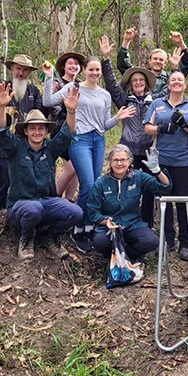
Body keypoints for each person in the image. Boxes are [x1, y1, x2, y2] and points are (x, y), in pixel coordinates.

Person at [42, 56, 136, 254]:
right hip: (79, 139)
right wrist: (48, 77)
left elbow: (103, 125)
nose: (94, 73)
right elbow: (48, 100)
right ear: (84, 70)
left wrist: (117, 118)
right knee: (88, 184)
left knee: (96, 184)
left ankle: (89, 225)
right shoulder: (73, 88)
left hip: (98, 140)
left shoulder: (104, 95)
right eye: (91, 69)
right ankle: (79, 228)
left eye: (97, 70)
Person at [0, 82, 83, 261]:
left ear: (45, 131)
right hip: (20, 207)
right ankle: (27, 239)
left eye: (41, 128)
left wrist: (72, 112)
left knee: (76, 212)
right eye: (32, 128)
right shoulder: (15, 148)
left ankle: (51, 237)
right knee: (33, 209)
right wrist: (1, 107)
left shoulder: (50, 148)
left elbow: (67, 133)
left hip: (46, 203)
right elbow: (2, 132)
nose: (37, 132)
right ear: (25, 131)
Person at [145, 70, 188, 261]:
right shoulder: (157, 104)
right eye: (173, 80)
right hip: (161, 160)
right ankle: (168, 239)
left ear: (185, 85)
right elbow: (147, 128)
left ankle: (185, 242)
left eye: (180, 80)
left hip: (185, 161)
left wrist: (184, 125)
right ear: (168, 85)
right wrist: (162, 129)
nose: (177, 82)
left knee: (182, 200)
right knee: (164, 199)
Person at [100, 35, 158, 224]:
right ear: (131, 84)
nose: (139, 82)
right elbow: (111, 85)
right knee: (125, 188)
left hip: (150, 151)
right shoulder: (125, 100)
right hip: (129, 151)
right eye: (135, 80)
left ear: (146, 83)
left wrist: (175, 67)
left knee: (149, 189)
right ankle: (123, 222)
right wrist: (106, 60)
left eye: (142, 80)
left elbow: (176, 87)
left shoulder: (156, 101)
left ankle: (147, 224)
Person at [87, 144, 171, 266]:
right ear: (110, 162)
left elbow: (164, 188)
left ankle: (128, 258)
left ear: (130, 161)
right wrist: (105, 221)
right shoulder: (101, 183)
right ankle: (112, 260)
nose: (119, 163)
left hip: (133, 224)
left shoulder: (139, 177)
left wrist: (157, 171)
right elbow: (92, 212)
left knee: (151, 241)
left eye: (123, 160)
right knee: (99, 242)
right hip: (109, 226)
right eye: (115, 160)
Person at [0, 54, 48, 212]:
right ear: (12, 69)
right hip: (3, 148)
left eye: (25, 70)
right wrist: (6, 116)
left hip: (27, 149)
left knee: (26, 187)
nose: (21, 73)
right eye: (18, 69)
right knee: (2, 186)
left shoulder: (33, 91)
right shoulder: (0, 89)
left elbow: (42, 113)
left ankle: (21, 216)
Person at [51, 52, 86, 200]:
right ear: (63, 66)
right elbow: (51, 107)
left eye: (76, 64)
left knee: (77, 169)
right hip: (61, 130)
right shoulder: (57, 84)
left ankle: (69, 201)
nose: (73, 66)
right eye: (70, 63)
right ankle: (54, 198)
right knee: (70, 169)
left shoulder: (81, 85)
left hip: (79, 131)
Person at [116, 28, 188, 93]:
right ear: (149, 61)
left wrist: (181, 43)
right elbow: (124, 66)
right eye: (155, 58)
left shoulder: (172, 77)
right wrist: (126, 41)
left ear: (165, 63)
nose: (158, 61)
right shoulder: (141, 77)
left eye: (161, 59)